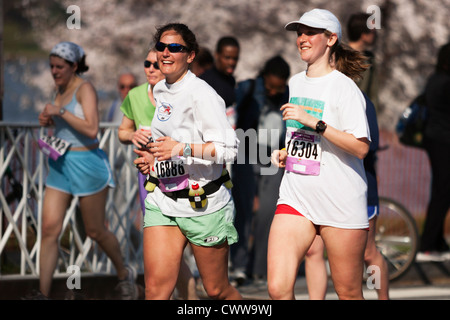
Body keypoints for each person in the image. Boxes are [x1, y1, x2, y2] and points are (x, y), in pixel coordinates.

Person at [267, 9, 371, 300]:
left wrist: (317, 122)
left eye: (310, 32)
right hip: (297, 195)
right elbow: (302, 136)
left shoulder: (345, 88)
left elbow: (361, 147)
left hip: (339, 199)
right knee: (277, 287)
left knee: (348, 292)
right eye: (299, 32)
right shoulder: (296, 83)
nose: (302, 38)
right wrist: (287, 152)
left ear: (331, 39)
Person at [134, 23, 242, 300]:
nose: (166, 53)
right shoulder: (160, 90)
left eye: (175, 48)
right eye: (161, 47)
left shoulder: (202, 94)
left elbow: (229, 150)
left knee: (217, 290)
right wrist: (153, 158)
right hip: (164, 200)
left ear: (190, 55)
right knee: (156, 290)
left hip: (203, 203)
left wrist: (180, 149)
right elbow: (167, 142)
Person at [36, 41, 137, 299]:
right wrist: (48, 118)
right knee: (49, 229)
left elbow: (92, 128)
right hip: (60, 166)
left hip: (87, 165)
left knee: (95, 231)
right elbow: (64, 123)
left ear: (74, 66)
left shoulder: (85, 89)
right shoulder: (57, 90)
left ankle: (124, 275)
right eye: (51, 66)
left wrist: (60, 111)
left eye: (60, 66)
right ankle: (42, 293)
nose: (54, 71)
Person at [118, 48, 198, 300]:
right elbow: (122, 131)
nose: (152, 69)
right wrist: (132, 135)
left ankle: (189, 296)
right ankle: (177, 296)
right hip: (149, 176)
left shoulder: (179, 94)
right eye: (147, 64)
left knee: (181, 240)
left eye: (156, 64)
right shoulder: (134, 95)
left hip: (181, 173)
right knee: (161, 241)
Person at [304, 93, 390, 300]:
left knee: (368, 253)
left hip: (358, 186)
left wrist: (328, 132)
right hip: (320, 187)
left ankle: (382, 297)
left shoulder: (359, 100)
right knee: (313, 251)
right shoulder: (314, 96)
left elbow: (368, 145)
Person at [231, 56, 290, 284]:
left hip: (274, 157)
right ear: (264, 77)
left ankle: (260, 267)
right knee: (244, 211)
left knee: (268, 212)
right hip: (247, 152)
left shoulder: (287, 95)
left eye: (279, 87)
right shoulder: (249, 87)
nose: (274, 92)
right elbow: (229, 109)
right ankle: (239, 265)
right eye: (270, 86)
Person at [416, 42, 450, 262]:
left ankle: (436, 242)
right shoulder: (446, 83)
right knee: (442, 192)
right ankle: (428, 244)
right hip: (443, 141)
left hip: (434, 140)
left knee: (441, 191)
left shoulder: (434, 80)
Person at [200, 36, 240, 129]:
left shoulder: (231, 80)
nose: (231, 62)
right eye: (227, 57)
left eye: (235, 58)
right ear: (217, 55)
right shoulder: (205, 81)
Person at [347, 13, 380, 114]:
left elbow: (372, 95)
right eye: (373, 31)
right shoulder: (340, 58)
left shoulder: (370, 59)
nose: (376, 35)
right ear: (363, 35)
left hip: (365, 118)